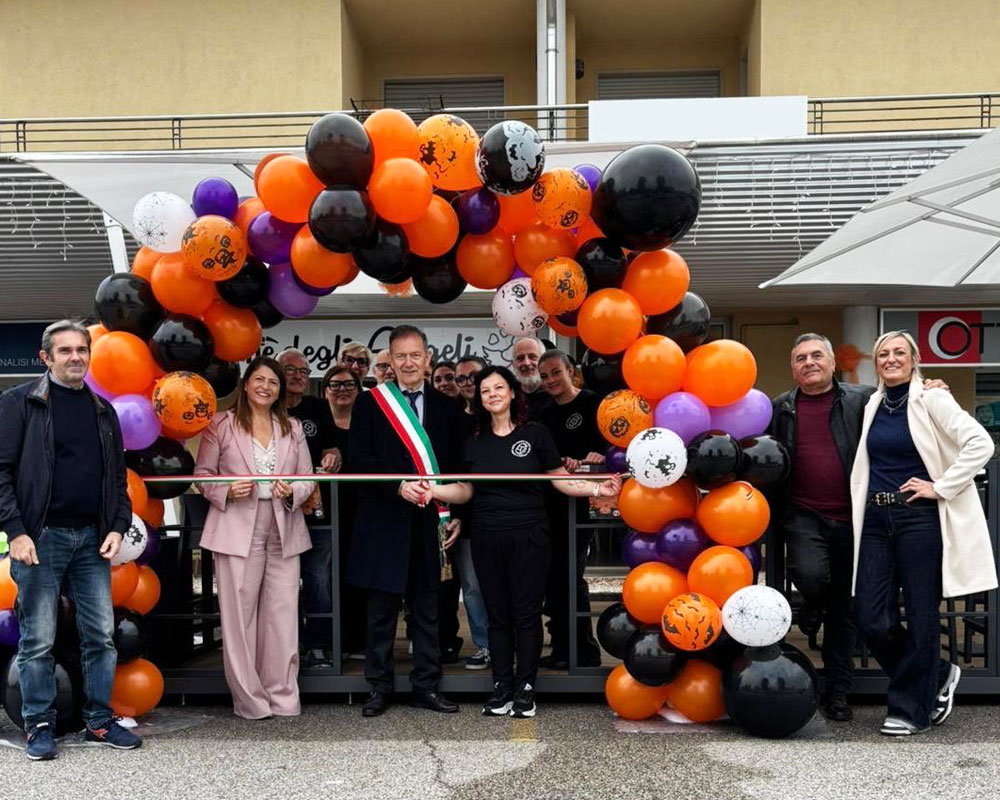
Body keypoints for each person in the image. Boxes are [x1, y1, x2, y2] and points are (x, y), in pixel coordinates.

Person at [405, 366, 621, 718]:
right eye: (485, 390)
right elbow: (465, 490)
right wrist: (433, 491)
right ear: (480, 399)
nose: (492, 394)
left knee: (526, 614)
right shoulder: (474, 441)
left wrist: (598, 489)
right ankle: (502, 687)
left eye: (498, 388)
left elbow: (560, 480)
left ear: (511, 393)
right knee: (497, 615)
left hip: (529, 535)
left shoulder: (535, 434)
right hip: (487, 536)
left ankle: (525, 689)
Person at [770, 332, 948, 723]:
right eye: (801, 358)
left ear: (833, 363)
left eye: (817, 355)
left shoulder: (864, 399)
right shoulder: (779, 408)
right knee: (812, 576)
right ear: (793, 368)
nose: (810, 363)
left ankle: (837, 692)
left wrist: (930, 387)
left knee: (847, 609)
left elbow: (904, 400)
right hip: (804, 514)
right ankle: (813, 603)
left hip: (857, 518)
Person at [0, 320, 140, 759]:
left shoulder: (103, 411)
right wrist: (16, 532)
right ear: (46, 357)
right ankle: (39, 726)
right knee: (38, 639)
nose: (76, 357)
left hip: (92, 541)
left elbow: (117, 479)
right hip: (39, 540)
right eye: (65, 350)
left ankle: (99, 721)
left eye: (82, 349)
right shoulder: (20, 403)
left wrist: (117, 526)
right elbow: (1, 473)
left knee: (100, 636)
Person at [850, 330, 997, 736]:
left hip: (918, 518)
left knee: (920, 614)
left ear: (914, 359)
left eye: (900, 352)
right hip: (876, 519)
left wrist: (941, 486)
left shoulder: (932, 398)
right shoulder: (873, 403)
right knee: (869, 616)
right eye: (883, 354)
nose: (891, 359)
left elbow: (980, 443)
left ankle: (911, 710)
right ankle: (938, 674)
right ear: (876, 363)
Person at [346, 325, 463, 717]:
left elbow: (458, 467)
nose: (409, 363)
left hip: (430, 522)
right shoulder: (370, 404)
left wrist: (456, 515)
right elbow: (358, 460)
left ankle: (426, 686)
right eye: (401, 356)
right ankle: (378, 688)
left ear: (428, 358)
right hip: (383, 520)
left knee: (428, 609)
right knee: (380, 612)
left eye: (415, 355)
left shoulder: (448, 407)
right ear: (390, 362)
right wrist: (397, 486)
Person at [194, 357, 315, 720]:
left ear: (280, 391)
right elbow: (203, 475)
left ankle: (282, 695)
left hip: (284, 525)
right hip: (235, 527)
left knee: (282, 615)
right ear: (246, 384)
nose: (265, 387)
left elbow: (308, 477)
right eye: (259, 380)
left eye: (273, 382)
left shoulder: (293, 427)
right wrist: (226, 490)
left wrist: (292, 491)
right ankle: (250, 700)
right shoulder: (221, 424)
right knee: (239, 619)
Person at [537, 350, 604, 669]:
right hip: (550, 505)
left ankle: (584, 652)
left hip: (581, 505)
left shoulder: (593, 403)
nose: (550, 380)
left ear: (571, 372)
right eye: (544, 376)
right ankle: (562, 649)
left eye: (555, 373)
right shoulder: (543, 412)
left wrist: (595, 457)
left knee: (571, 576)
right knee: (553, 579)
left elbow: (606, 447)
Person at [277, 349, 340, 668]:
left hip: (315, 508)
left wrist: (332, 458)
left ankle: (317, 645)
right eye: (291, 369)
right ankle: (283, 645)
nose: (299, 376)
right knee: (280, 582)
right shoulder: (266, 407)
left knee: (316, 578)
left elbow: (333, 449)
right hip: (273, 509)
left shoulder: (318, 407)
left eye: (304, 371)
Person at [439, 355, 491, 670]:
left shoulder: (505, 416)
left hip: (502, 514)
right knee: (472, 586)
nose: (467, 382)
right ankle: (485, 645)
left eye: (474, 376)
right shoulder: (453, 420)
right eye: (461, 378)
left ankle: (509, 643)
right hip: (465, 516)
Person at [321, 364, 366, 659]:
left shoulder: (367, 422)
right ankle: (332, 642)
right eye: (335, 385)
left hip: (362, 511)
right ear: (325, 391)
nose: (342, 390)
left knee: (359, 575)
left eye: (349, 384)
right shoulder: (320, 423)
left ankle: (358, 641)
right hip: (326, 512)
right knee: (327, 577)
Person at [511, 337, 552, 419]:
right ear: (513, 364)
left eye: (532, 357)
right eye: (520, 358)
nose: (526, 363)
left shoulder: (556, 395)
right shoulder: (507, 398)